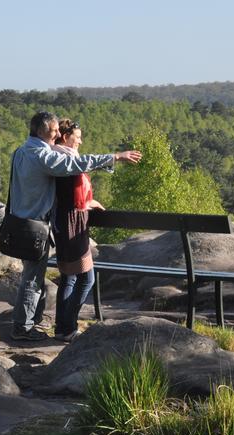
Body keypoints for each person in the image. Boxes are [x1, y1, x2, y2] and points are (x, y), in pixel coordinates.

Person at [8, 111, 141, 341]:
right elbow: (76, 163)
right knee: (32, 279)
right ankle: (23, 328)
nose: (58, 133)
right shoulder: (42, 155)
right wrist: (115, 157)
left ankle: (33, 324)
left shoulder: (21, 151)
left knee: (36, 277)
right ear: (41, 131)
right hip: (34, 226)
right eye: (54, 131)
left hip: (19, 222)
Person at [51, 119, 102, 342]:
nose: (80, 140)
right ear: (65, 137)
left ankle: (62, 329)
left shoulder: (53, 157)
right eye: (77, 136)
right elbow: (71, 197)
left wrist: (87, 203)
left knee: (69, 277)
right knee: (86, 279)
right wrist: (87, 204)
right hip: (72, 224)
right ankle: (68, 327)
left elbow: (68, 195)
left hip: (63, 222)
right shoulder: (66, 160)